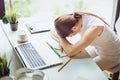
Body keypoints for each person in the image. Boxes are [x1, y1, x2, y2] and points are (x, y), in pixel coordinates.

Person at [50, 12, 120, 73]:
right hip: (99, 49)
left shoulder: (93, 28)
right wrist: (61, 39)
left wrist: (61, 38)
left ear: (74, 28)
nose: (71, 36)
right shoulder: (76, 18)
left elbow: (71, 51)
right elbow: (53, 32)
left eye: (70, 35)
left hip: (113, 55)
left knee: (83, 70)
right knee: (72, 58)